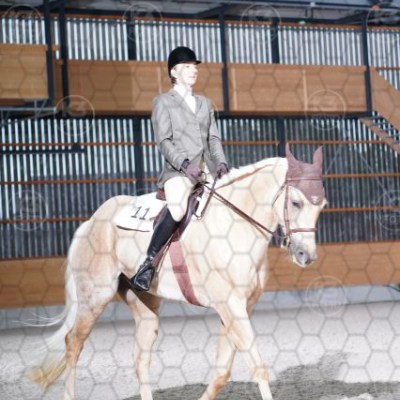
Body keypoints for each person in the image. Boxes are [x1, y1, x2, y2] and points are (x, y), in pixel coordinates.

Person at [129, 46, 229, 292]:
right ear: (174, 72)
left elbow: (213, 139)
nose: (193, 70)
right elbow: (164, 141)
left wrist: (221, 163)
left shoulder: (205, 103)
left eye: (195, 66)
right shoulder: (163, 102)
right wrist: (185, 165)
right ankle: (147, 265)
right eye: (187, 66)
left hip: (206, 172)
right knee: (177, 209)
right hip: (178, 173)